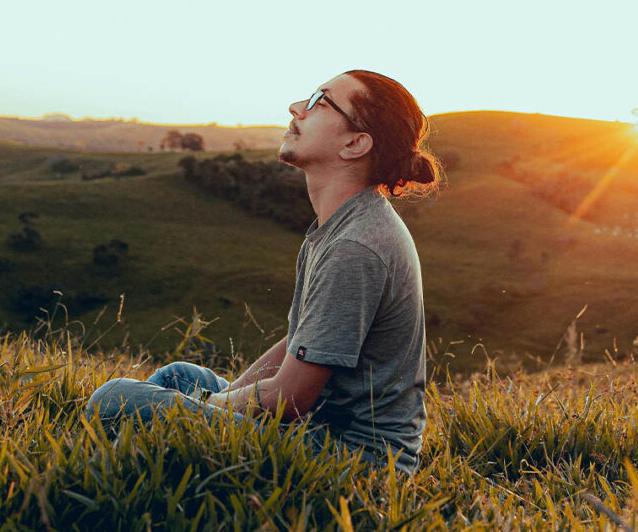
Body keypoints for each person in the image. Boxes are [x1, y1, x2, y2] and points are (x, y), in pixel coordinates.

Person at [85, 70, 439, 475]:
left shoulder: (354, 246)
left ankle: (141, 468)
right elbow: (303, 341)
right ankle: (145, 463)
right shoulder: (347, 224)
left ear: (355, 144)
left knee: (114, 398)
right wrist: (225, 398)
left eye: (319, 100)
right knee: (180, 376)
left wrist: (213, 407)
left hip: (355, 462)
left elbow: (290, 399)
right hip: (320, 432)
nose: (296, 108)